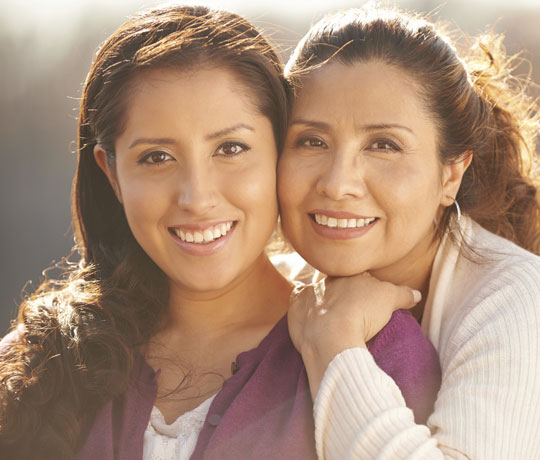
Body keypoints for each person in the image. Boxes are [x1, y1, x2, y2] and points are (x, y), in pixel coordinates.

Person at [0, 5, 441, 460]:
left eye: (230, 148)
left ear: (281, 153)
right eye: (156, 157)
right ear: (112, 174)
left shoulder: (378, 354)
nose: (197, 196)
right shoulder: (37, 363)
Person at [279, 6, 540, 459]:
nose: (338, 183)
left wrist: (334, 342)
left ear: (450, 175)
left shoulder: (518, 297)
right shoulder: (273, 286)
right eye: (311, 141)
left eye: (384, 145)